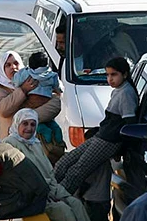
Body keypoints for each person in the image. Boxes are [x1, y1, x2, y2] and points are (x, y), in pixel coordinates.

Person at [3, 109, 103, 221]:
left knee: (76, 204)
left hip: (49, 189)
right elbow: (19, 178)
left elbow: (48, 174)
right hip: (31, 195)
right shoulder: (10, 144)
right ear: (17, 125)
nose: (29, 128)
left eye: (33, 124)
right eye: (25, 124)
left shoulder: (35, 143)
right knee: (63, 211)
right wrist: (47, 194)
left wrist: (58, 193)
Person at [55, 57, 136, 196]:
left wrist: (121, 149)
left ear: (125, 74)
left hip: (109, 141)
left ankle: (57, 197)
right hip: (102, 136)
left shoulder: (126, 93)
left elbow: (129, 125)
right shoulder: (118, 90)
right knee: (64, 163)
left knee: (77, 170)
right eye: (108, 74)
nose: (110, 79)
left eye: (114, 74)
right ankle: (50, 190)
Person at [0, 50, 62, 137]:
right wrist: (23, 90)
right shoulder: (0, 91)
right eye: (8, 65)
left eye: (16, 63)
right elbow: (3, 111)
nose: (13, 67)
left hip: (37, 142)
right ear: (2, 69)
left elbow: (56, 104)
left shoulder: (37, 81)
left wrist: (29, 118)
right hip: (13, 142)